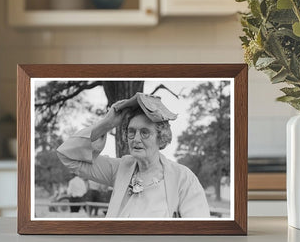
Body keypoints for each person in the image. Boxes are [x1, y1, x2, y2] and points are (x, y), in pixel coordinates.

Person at [57, 93, 210, 218]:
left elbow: (198, 232)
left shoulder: (183, 178)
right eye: (131, 132)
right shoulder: (120, 168)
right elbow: (67, 156)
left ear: (161, 137)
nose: (136, 139)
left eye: (144, 132)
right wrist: (107, 124)